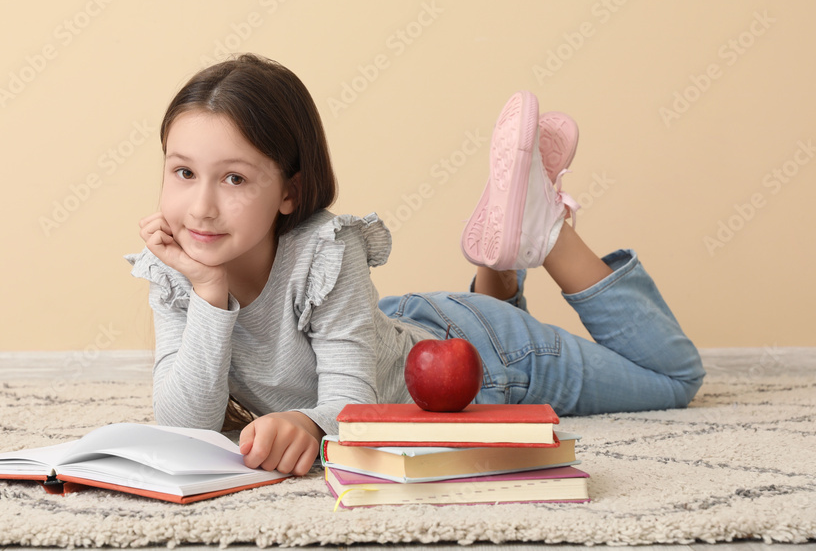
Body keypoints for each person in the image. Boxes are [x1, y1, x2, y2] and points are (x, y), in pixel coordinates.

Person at [126, 54, 705, 478]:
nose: (199, 207)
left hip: (486, 361)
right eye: (182, 172)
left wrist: (307, 424)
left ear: (289, 191)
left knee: (675, 381)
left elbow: (353, 405)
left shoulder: (326, 249)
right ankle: (501, 267)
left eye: (233, 178)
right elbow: (188, 423)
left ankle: (547, 234)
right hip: (404, 337)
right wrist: (207, 291)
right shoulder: (180, 268)